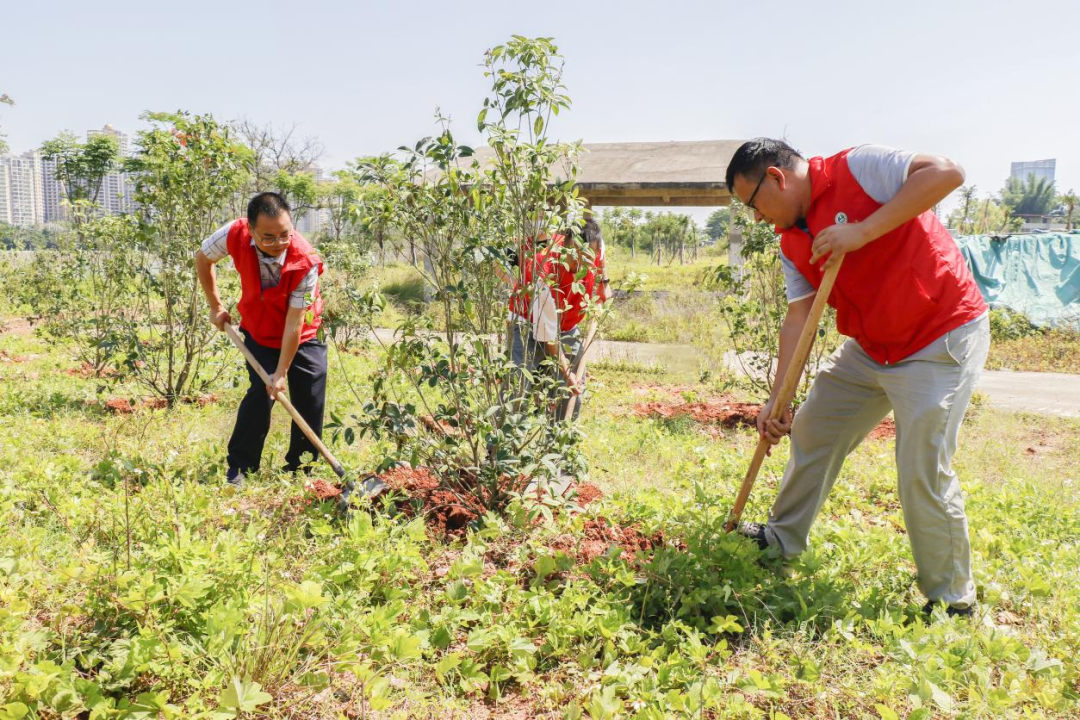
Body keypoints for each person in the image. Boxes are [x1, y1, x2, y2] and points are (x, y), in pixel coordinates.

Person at [725, 138, 989, 617]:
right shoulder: (791, 241)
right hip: (871, 348)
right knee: (814, 426)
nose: (758, 218)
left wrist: (863, 231)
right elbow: (798, 318)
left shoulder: (859, 168)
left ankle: (954, 600)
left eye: (754, 204)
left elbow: (947, 173)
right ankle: (780, 540)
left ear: (777, 178)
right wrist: (776, 399)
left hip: (938, 335)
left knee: (921, 466)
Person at [194, 192, 327, 486]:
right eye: (268, 237)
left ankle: (300, 471)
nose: (278, 243)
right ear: (252, 229)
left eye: (285, 234)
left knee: (310, 398)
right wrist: (215, 305)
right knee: (260, 395)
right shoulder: (233, 233)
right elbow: (203, 259)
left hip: (302, 333)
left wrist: (281, 373)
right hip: (259, 330)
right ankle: (240, 468)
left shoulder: (306, 261)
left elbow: (294, 322)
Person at [507, 216, 608, 420]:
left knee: (572, 393)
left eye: (592, 257)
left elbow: (602, 265)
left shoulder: (593, 248)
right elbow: (548, 335)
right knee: (517, 391)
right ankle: (499, 451)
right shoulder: (543, 270)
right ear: (570, 249)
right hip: (526, 322)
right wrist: (566, 372)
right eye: (582, 257)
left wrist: (604, 284)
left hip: (567, 325)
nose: (587, 263)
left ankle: (560, 449)